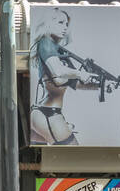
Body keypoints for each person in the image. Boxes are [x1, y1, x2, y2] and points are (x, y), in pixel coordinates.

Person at [30, 8, 94, 146]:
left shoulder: (58, 52)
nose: (65, 27)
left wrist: (100, 85)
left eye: (66, 24)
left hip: (43, 113)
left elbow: (75, 83)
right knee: (73, 158)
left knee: (54, 160)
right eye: (60, 22)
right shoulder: (45, 42)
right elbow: (58, 71)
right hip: (49, 115)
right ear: (49, 23)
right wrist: (80, 73)